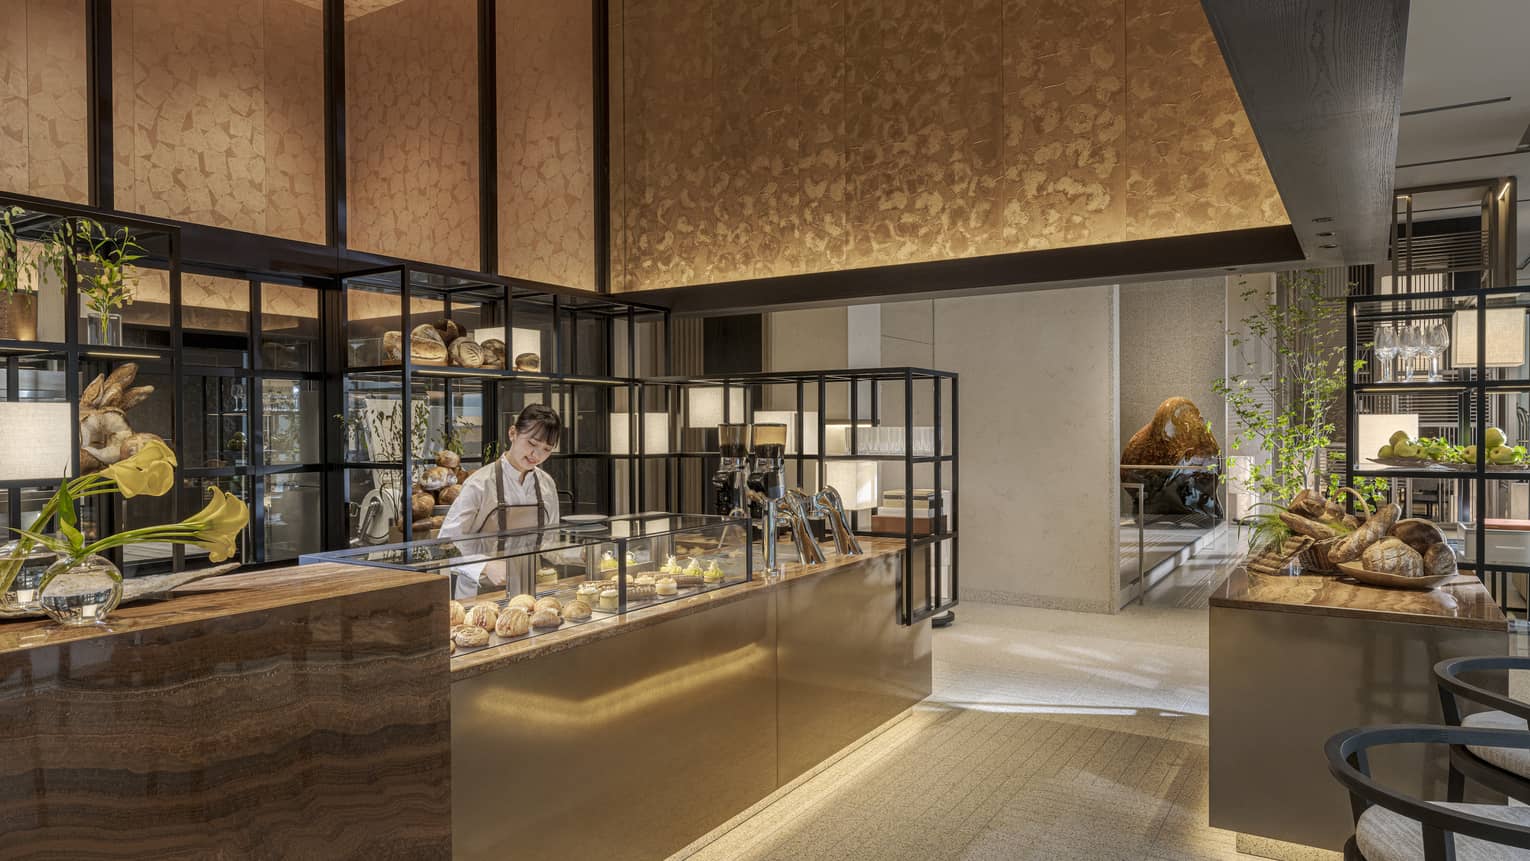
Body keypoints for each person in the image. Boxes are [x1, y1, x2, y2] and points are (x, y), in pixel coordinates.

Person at [439, 403, 562, 539]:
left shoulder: (547, 484)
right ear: (512, 433)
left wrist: (579, 554)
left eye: (547, 449)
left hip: (533, 562)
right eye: (532, 443)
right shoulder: (479, 484)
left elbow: (551, 542)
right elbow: (448, 544)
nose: (537, 455)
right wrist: (484, 561)